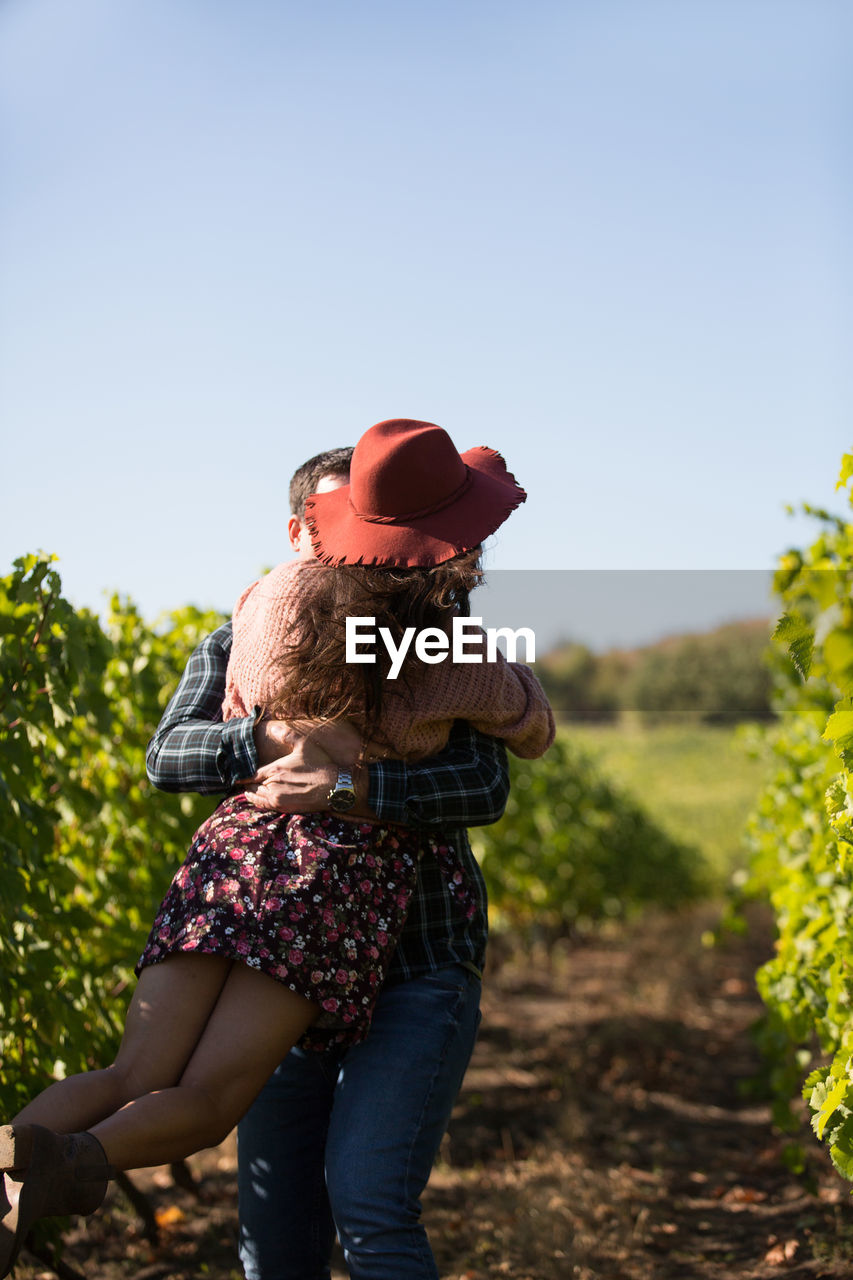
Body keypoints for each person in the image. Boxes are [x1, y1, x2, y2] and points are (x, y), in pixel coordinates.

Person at [0, 419, 554, 1280]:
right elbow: (520, 731)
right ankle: (80, 1164)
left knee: (136, 1071)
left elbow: (476, 791)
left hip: (267, 883)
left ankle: (32, 1154)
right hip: (328, 902)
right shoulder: (441, 650)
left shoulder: (256, 613)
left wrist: (297, 752)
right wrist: (295, 748)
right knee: (220, 1117)